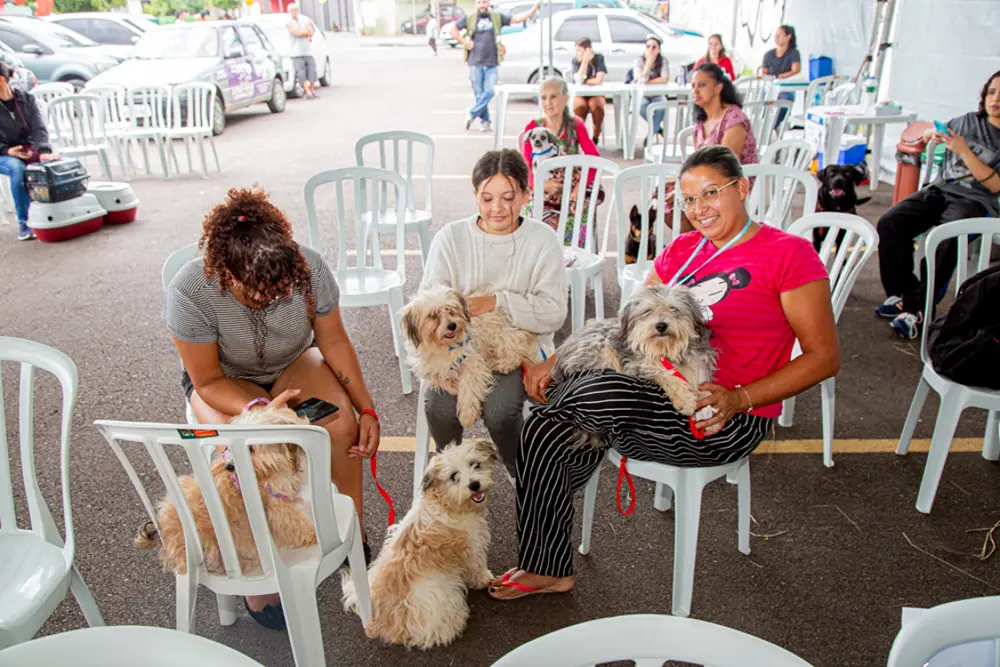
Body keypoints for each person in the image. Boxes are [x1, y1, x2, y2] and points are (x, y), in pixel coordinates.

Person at [488, 146, 839, 599]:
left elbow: (824, 357)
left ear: (743, 187)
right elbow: (627, 326)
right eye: (689, 200)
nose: (699, 209)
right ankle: (547, 566)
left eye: (711, 193)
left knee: (575, 405)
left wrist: (740, 398)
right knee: (551, 423)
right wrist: (555, 360)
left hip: (720, 416)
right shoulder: (682, 249)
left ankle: (556, 474)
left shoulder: (788, 255)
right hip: (642, 393)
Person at [164, 187, 381, 628]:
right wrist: (264, 410)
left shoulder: (308, 266)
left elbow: (333, 340)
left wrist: (368, 409)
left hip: (294, 364)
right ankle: (258, 572)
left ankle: (349, 534)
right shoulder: (190, 289)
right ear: (225, 271)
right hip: (224, 381)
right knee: (248, 448)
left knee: (338, 424)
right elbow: (205, 379)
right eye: (258, 293)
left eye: (281, 290)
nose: (271, 300)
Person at [420, 149, 568, 478]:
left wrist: (496, 301)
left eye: (508, 197)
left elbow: (554, 313)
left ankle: (523, 474)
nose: (497, 208)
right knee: (439, 407)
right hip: (457, 345)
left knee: (501, 410)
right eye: (487, 198)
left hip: (519, 345)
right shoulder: (451, 238)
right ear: (475, 196)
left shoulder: (542, 240)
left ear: (526, 195)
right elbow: (430, 300)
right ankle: (452, 477)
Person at [875, 70, 1000, 339]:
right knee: (890, 223)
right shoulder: (968, 121)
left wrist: (964, 150)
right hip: (941, 189)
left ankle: (918, 309)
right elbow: (942, 130)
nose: (996, 99)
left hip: (978, 201)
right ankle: (903, 294)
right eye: (992, 92)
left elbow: (996, 186)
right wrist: (934, 132)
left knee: (945, 239)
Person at [520, 76, 600, 245]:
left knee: (581, 205)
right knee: (536, 210)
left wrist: (579, 187)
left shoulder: (576, 125)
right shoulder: (533, 127)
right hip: (542, 188)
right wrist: (542, 184)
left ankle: (577, 256)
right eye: (544, 97)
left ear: (566, 98)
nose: (548, 103)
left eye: (554, 96)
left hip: (570, 186)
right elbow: (525, 167)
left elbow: (594, 160)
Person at [451, 0, 543, 132]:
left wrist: (533, 10)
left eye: (484, 2)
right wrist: (464, 42)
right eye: (479, 2)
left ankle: (472, 113)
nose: (482, 5)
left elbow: (516, 19)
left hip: (492, 61)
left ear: (488, 3)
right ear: (475, 4)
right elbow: (452, 30)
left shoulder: (496, 16)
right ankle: (485, 121)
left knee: (490, 91)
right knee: (479, 94)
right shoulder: (470, 18)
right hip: (475, 62)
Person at [0, 62, 56, 242]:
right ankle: (25, 221)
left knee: (49, 165)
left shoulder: (26, 100)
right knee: (18, 169)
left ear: (2, 80)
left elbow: (39, 128)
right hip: (4, 153)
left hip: (26, 148)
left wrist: (43, 151)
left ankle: (50, 213)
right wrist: (8, 151)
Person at [692, 63, 758, 165]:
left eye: (702, 85)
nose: (695, 91)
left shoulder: (734, 119)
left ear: (718, 88)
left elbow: (726, 165)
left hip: (733, 179)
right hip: (707, 178)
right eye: (693, 86)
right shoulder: (700, 123)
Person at [631, 34, 670, 139]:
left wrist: (649, 81)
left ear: (659, 49)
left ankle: (651, 133)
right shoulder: (639, 60)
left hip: (657, 94)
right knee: (641, 105)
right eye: (648, 47)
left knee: (662, 104)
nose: (651, 49)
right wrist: (648, 63)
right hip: (643, 95)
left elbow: (665, 78)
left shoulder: (663, 61)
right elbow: (641, 80)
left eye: (654, 47)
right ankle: (656, 127)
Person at [760, 25, 800, 127]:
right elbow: (764, 74)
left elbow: (795, 70)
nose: (776, 38)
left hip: (785, 90)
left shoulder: (793, 53)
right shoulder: (768, 55)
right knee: (765, 105)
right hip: (769, 88)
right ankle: (767, 127)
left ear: (788, 37)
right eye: (776, 35)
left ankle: (773, 128)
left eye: (780, 35)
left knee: (783, 106)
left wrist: (778, 76)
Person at [571, 37, 607, 143]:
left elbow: (599, 79)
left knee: (596, 106)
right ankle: (579, 137)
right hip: (581, 94)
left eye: (579, 50)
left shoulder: (598, 58)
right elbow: (578, 79)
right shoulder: (576, 61)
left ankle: (595, 137)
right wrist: (585, 62)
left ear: (587, 50)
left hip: (596, 94)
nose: (577, 53)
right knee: (579, 107)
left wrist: (585, 81)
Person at [287, 3, 318, 100]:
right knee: (301, 72)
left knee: (312, 70)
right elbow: (297, 33)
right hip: (296, 52)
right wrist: (304, 32)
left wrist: (303, 31)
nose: (294, 12)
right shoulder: (289, 22)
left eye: (295, 10)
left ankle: (312, 90)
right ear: (289, 12)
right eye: (292, 10)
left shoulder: (304, 20)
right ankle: (307, 91)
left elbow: (310, 32)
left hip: (307, 51)